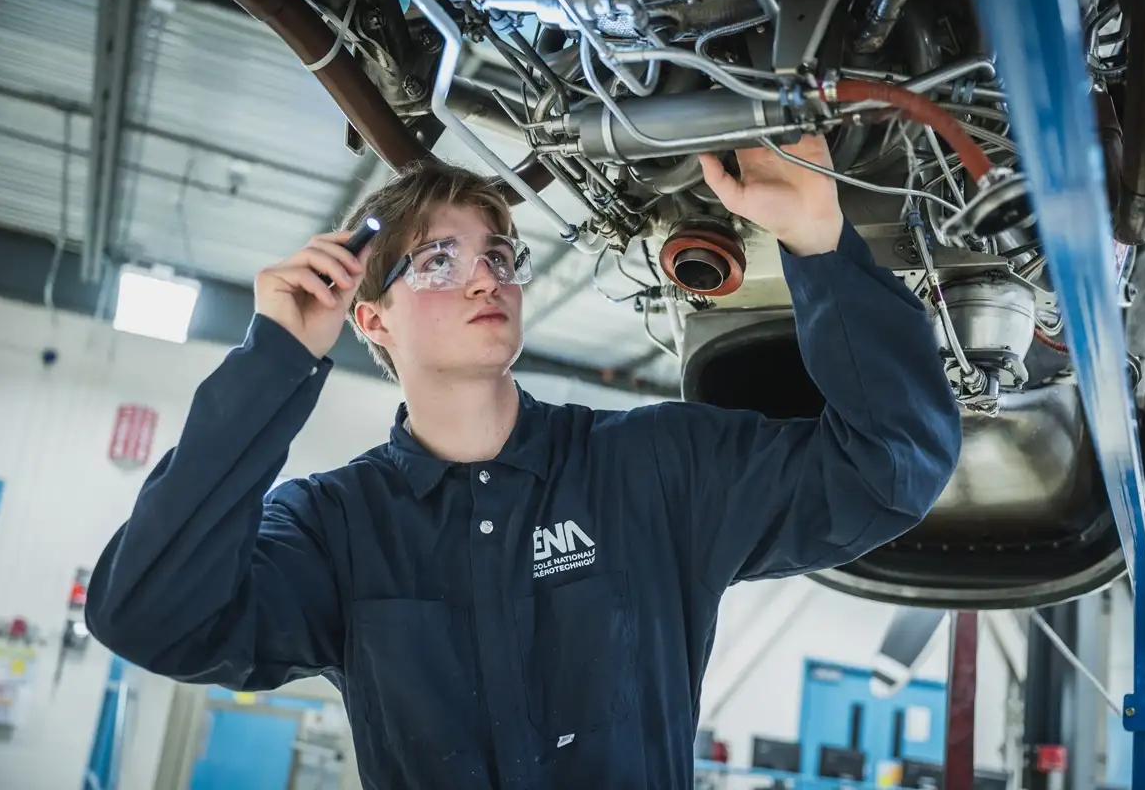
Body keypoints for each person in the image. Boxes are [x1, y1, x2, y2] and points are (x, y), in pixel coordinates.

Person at [85, 135, 961, 789]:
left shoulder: (653, 469)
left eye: (499, 256)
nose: (484, 279)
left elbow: (892, 465)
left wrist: (818, 240)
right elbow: (149, 617)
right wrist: (274, 359)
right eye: (438, 260)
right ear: (371, 319)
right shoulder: (333, 531)